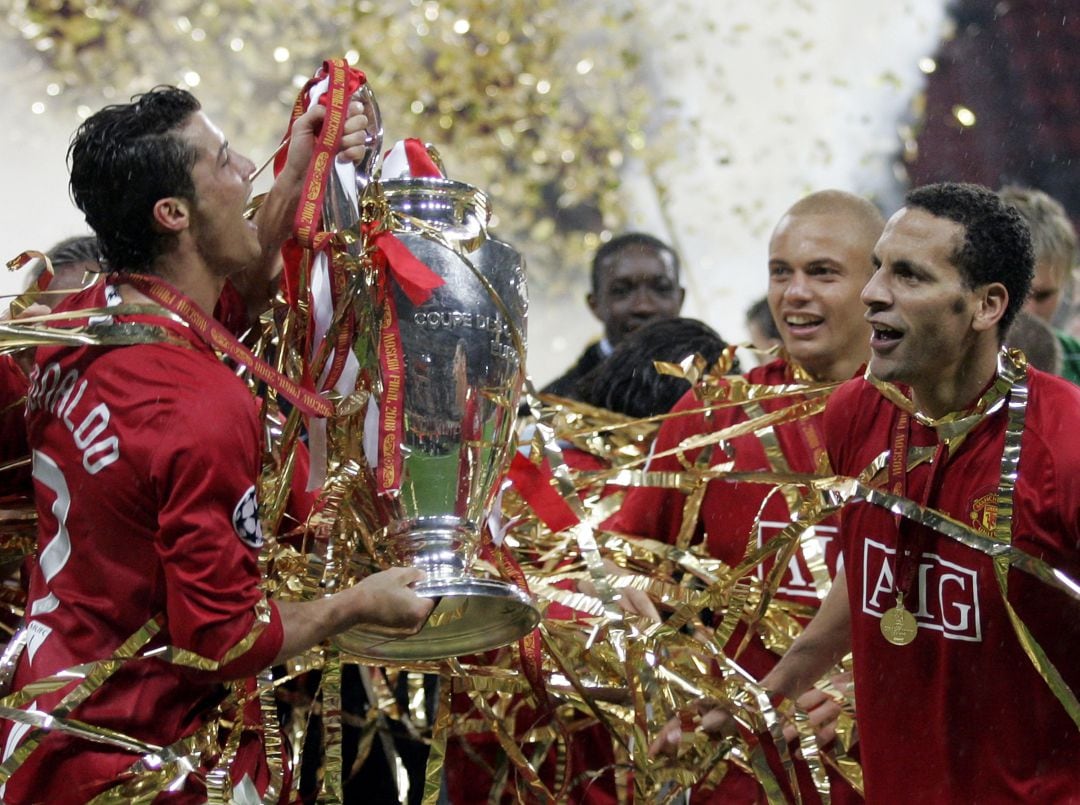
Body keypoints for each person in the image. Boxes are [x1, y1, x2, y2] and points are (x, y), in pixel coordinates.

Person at [0, 86, 435, 803]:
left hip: (49, 728)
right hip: (138, 765)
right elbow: (221, 639)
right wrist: (354, 604)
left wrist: (301, 161)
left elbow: (229, 298)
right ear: (173, 214)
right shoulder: (201, 406)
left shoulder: (80, 325)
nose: (246, 173)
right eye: (227, 160)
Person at [657, 182, 1080, 802]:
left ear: (987, 306)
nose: (873, 293)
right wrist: (775, 685)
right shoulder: (857, 412)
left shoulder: (1065, 443)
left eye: (908, 275)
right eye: (878, 267)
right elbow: (871, 566)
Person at [609, 190, 884, 803]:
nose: (794, 293)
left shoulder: (926, 420)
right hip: (744, 773)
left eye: (823, 273)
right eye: (780, 272)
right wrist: (624, 591)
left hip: (888, 767)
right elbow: (625, 553)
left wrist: (868, 689)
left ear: (879, 283)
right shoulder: (715, 415)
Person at [541, 232, 685, 400]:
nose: (643, 306)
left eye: (661, 288)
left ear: (680, 299)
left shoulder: (715, 385)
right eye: (622, 291)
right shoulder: (552, 408)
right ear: (595, 305)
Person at [998, 185, 1080, 383]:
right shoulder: (943, 364)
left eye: (1043, 296)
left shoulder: (1076, 360)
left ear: (1066, 286)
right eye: (1015, 292)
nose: (1028, 311)